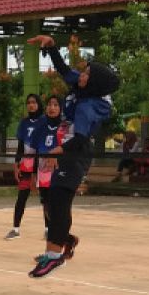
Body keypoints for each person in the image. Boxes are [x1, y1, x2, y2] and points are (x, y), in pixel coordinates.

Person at [25, 35, 119, 278]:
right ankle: (65, 241)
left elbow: (80, 139)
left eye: (87, 73)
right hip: (64, 149)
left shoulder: (89, 108)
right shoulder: (83, 84)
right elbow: (65, 70)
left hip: (75, 154)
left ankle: (54, 257)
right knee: (50, 204)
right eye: (85, 71)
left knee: (58, 202)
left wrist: (59, 151)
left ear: (95, 83)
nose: (82, 75)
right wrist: (52, 47)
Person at [6, 94, 44, 239]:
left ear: (39, 104)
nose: (31, 105)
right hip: (26, 164)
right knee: (21, 197)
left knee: (46, 199)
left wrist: (36, 173)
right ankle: (15, 229)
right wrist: (16, 164)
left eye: (34, 102)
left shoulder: (44, 122)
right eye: (28, 103)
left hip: (41, 164)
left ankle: (48, 230)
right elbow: (21, 146)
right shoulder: (24, 123)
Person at [30, 94, 65, 238]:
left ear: (61, 108)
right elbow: (34, 152)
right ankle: (49, 229)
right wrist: (33, 175)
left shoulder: (65, 127)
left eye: (56, 105)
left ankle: (60, 231)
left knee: (59, 203)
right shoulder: (40, 127)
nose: (52, 108)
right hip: (43, 170)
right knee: (46, 203)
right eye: (50, 104)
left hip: (60, 171)